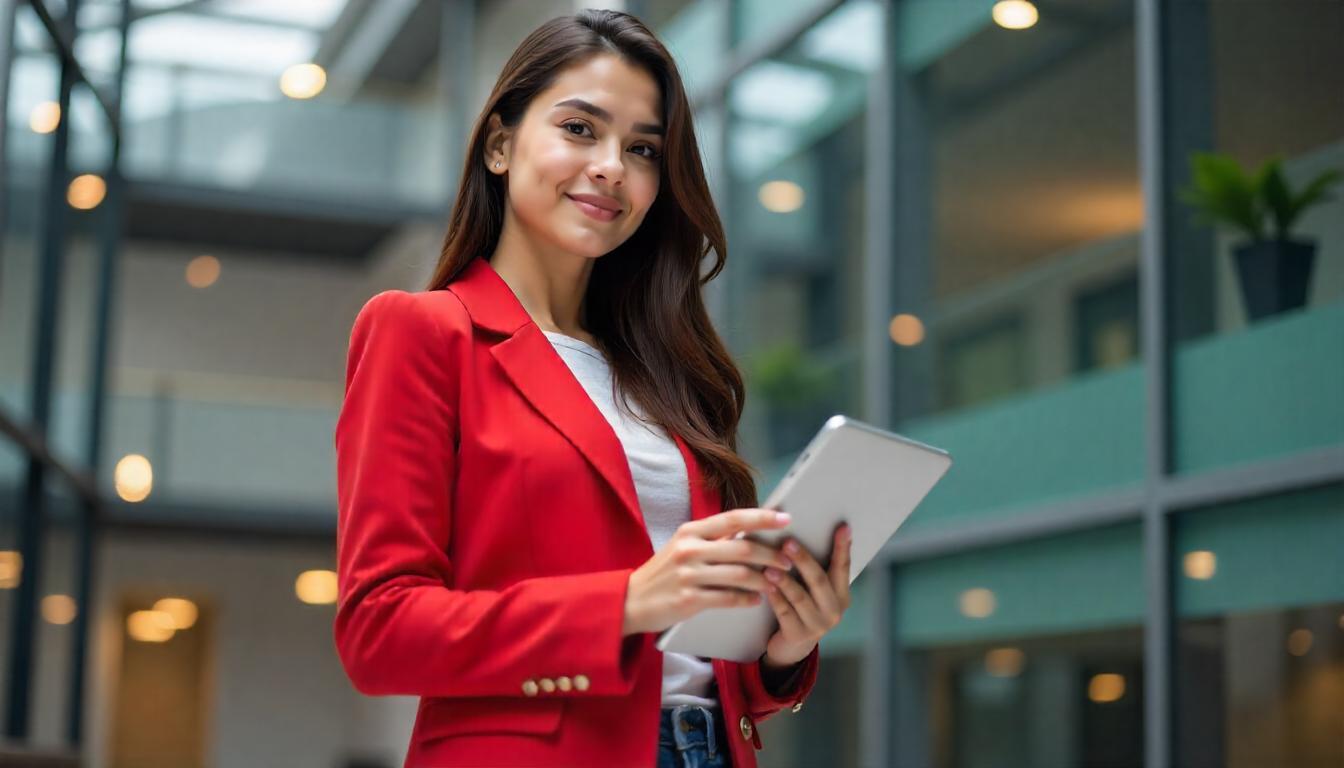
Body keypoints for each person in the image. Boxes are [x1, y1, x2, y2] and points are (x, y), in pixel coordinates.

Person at [333, 9, 853, 768]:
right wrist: (626, 604)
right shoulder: (424, 331)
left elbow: (700, 664)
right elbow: (379, 633)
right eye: (580, 129)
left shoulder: (666, 371)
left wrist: (786, 642)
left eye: (642, 149)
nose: (613, 166)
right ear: (500, 144)